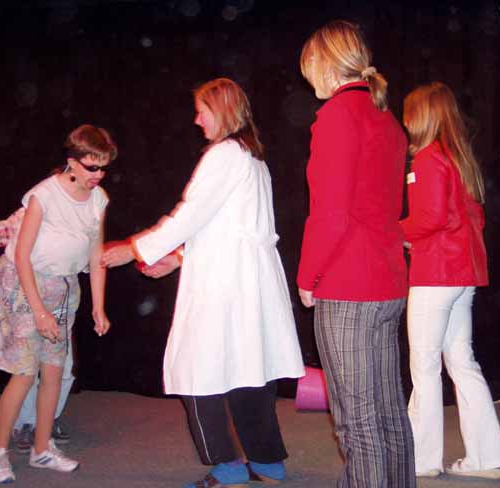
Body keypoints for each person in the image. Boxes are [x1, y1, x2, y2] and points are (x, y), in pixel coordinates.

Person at [101, 77, 305, 488]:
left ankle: (227, 464)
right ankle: (267, 462)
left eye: (202, 111)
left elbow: (191, 216)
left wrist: (135, 248)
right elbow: (224, 225)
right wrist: (177, 258)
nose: (197, 121)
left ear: (222, 110)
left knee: (196, 367)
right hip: (248, 282)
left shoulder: (224, 155)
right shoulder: (252, 159)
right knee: (250, 370)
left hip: (225, 284)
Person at [297, 20, 416, 488]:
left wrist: (308, 277)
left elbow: (331, 214)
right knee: (388, 412)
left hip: (348, 284)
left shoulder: (337, 116)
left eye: (309, 66)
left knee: (357, 421)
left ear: (324, 64)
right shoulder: (385, 118)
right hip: (387, 281)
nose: (308, 77)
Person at [0, 124, 114, 484]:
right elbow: (22, 256)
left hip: (64, 286)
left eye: (104, 167)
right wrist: (39, 310)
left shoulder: (98, 199)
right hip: (25, 284)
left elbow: (95, 255)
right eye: (92, 167)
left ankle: (42, 449)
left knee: (54, 370)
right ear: (72, 162)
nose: (98, 175)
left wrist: (98, 306)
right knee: (25, 372)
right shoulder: (44, 195)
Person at [399, 82, 500, 479]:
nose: (406, 122)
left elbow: (430, 218)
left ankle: (422, 459)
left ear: (423, 116)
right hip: (463, 274)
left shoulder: (428, 158)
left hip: (435, 274)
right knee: (462, 362)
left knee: (425, 366)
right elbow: (468, 219)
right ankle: (487, 458)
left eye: (409, 114)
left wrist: (395, 232)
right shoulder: (460, 158)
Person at [0, 208, 74, 453]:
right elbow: (5, 231)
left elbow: (91, 255)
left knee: (61, 369)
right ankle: (24, 425)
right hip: (24, 293)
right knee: (26, 369)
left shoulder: (87, 210)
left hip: (59, 296)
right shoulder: (39, 203)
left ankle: (46, 424)